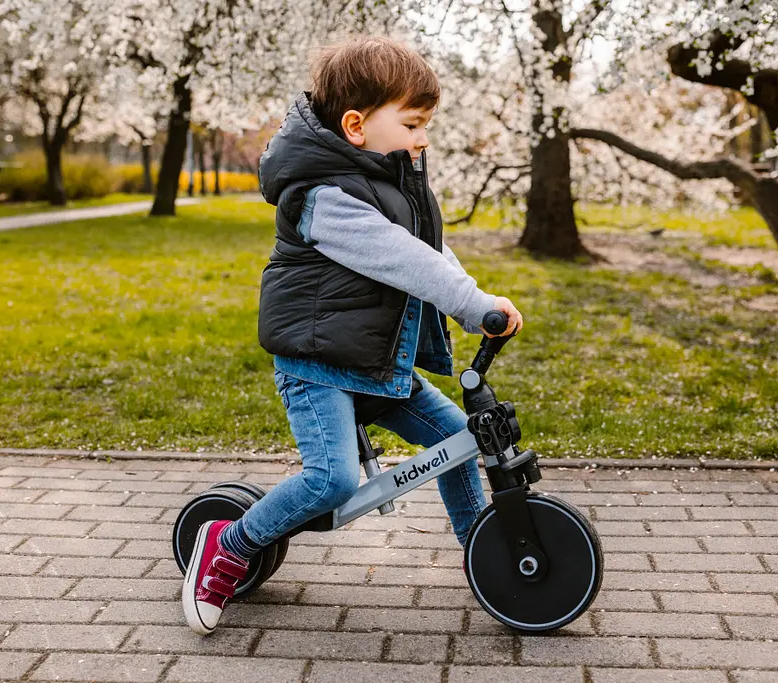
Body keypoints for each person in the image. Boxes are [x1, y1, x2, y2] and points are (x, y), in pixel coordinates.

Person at [182, 36, 523, 635]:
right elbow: (399, 257)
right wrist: (470, 305)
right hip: (317, 368)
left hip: (375, 362)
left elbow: (430, 252)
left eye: (426, 125)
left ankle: (483, 551)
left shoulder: (391, 184)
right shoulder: (325, 197)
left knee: (460, 440)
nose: (423, 138)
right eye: (412, 124)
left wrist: (477, 304)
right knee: (333, 480)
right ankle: (227, 547)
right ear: (356, 126)